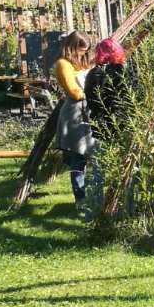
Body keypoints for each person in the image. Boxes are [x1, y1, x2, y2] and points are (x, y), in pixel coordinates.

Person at [53, 31, 96, 209]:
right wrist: (94, 88)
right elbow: (74, 92)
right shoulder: (63, 64)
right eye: (80, 50)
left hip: (88, 112)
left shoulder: (80, 61)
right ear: (71, 47)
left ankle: (94, 196)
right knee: (78, 158)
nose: (82, 54)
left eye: (85, 51)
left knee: (94, 155)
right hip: (74, 114)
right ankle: (80, 199)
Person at [85, 37, 133, 146]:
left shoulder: (95, 73)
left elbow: (91, 100)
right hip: (125, 121)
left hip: (102, 125)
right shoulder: (126, 70)